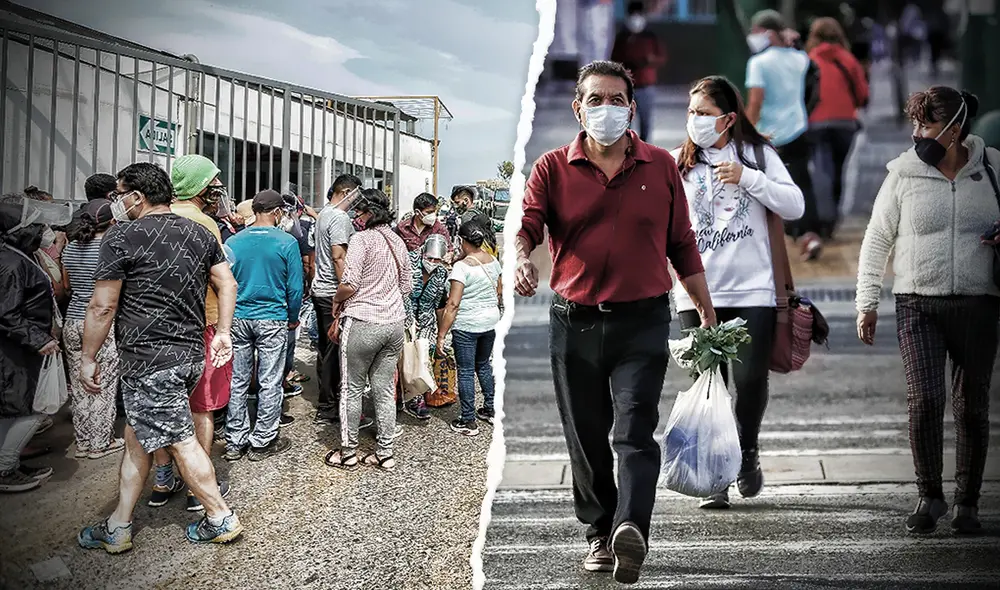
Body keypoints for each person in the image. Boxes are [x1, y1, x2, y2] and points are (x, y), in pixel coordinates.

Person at [514, 60, 715, 585]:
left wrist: (706, 310)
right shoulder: (553, 167)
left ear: (632, 107)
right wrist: (519, 257)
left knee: (634, 430)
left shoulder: (659, 166)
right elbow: (529, 222)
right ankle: (600, 533)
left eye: (617, 100)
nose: (608, 109)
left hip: (643, 320)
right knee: (585, 435)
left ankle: (631, 529)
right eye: (596, 100)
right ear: (579, 109)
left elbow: (682, 243)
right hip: (573, 323)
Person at [77, 162, 242, 552]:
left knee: (182, 441)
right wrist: (221, 333)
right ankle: (118, 524)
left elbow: (102, 306)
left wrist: (88, 356)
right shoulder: (200, 232)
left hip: (149, 360)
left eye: (119, 195)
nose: (116, 202)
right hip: (188, 354)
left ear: (137, 196)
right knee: (137, 437)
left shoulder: (122, 238)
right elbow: (227, 282)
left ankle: (219, 517)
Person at [856, 87, 999, 536]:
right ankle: (929, 495)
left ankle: (968, 503)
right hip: (917, 302)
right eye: (914, 124)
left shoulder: (993, 167)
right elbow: (877, 238)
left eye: (926, 124)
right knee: (925, 400)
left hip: (979, 303)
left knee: (972, 407)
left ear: (954, 130)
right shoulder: (903, 173)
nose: (917, 133)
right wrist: (866, 302)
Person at [670, 75, 805, 509]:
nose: (695, 121)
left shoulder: (759, 156)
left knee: (748, 382)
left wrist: (750, 179)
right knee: (709, 385)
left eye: (704, 114)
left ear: (728, 119)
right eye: (691, 113)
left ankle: (746, 451)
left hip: (752, 289)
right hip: (696, 292)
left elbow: (794, 205)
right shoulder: (677, 163)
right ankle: (716, 477)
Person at [163, 154, 234, 512]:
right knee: (201, 406)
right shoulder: (205, 223)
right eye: (213, 184)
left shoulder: (154, 217)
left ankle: (162, 477)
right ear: (203, 187)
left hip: (159, 328)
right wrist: (224, 329)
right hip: (202, 322)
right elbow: (222, 280)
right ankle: (198, 484)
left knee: (162, 406)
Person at [325, 189, 411, 472]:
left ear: (369, 213)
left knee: (351, 388)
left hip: (363, 321)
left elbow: (349, 283)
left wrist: (337, 301)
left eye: (359, 213)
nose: (356, 219)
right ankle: (385, 453)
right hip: (394, 324)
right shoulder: (398, 241)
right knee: (385, 390)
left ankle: (348, 451)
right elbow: (407, 286)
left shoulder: (361, 240)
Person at [223, 190, 302, 463]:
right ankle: (262, 440)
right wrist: (293, 316)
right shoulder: (287, 242)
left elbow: (224, 281)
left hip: (238, 316)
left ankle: (235, 439)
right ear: (277, 212)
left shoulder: (233, 241)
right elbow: (295, 287)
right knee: (270, 380)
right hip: (273, 316)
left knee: (238, 380)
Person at [745, 9, 824, 261]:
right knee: (802, 183)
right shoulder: (799, 58)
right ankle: (810, 235)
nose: (752, 37)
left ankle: (773, 240)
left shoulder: (758, 63)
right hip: (798, 129)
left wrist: (745, 130)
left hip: (769, 135)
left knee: (766, 185)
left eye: (756, 32)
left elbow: (756, 101)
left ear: (767, 33)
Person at [0, 193, 65, 493]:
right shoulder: (12, 263)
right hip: (18, 350)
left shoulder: (17, 256)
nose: (46, 231)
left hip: (22, 347)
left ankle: (8, 462)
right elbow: (7, 313)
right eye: (39, 226)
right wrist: (39, 339)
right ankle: (5, 468)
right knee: (31, 408)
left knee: (18, 407)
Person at [60, 199, 124, 460]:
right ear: (112, 221)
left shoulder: (71, 248)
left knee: (80, 383)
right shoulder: (110, 249)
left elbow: (66, 285)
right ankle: (100, 442)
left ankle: (83, 440)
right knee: (102, 383)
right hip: (99, 323)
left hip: (72, 321)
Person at [806, 17, 869, 239]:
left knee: (822, 169)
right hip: (845, 123)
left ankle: (825, 218)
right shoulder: (849, 60)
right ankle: (832, 218)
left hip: (816, 122)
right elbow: (862, 94)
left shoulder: (808, 60)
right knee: (838, 169)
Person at [437, 222, 501, 437]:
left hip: (467, 325)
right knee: (483, 364)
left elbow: (452, 305)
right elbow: (499, 291)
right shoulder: (493, 260)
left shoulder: (461, 267)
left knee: (465, 370)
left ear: (462, 240)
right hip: (490, 321)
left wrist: (441, 335)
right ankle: (491, 409)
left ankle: (468, 420)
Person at [312, 174, 366, 426]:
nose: (356, 202)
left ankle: (326, 400)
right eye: (355, 195)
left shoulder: (323, 214)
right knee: (335, 348)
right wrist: (347, 289)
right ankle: (329, 405)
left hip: (319, 290)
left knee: (325, 347)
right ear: (345, 192)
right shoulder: (340, 217)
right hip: (332, 291)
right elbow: (338, 256)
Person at [401, 234, 451, 420]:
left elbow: (439, 305)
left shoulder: (441, 273)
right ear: (422, 253)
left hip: (426, 320)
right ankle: (398, 396)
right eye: (429, 258)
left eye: (437, 259)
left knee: (422, 359)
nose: (432, 262)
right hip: (403, 317)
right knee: (402, 358)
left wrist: (441, 334)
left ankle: (417, 398)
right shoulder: (407, 262)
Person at [610, 1, 666, 142]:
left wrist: (650, 60)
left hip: (646, 86)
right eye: (633, 15)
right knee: (624, 122)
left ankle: (644, 149)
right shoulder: (622, 37)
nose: (636, 18)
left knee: (645, 122)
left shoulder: (650, 36)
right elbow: (614, 60)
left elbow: (661, 57)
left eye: (638, 15)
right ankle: (626, 150)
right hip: (626, 87)